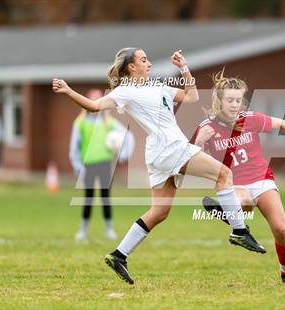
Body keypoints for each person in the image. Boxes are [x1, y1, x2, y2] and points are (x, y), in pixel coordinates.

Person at [52, 48, 265, 285]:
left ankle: (119, 255)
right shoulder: (125, 91)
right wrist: (68, 90)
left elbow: (192, 97)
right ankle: (239, 230)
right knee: (224, 174)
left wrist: (184, 68)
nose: (149, 63)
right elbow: (93, 106)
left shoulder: (157, 86)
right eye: (144, 60)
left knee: (159, 212)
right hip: (170, 148)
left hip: (158, 153)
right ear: (131, 67)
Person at [193, 70, 285, 284]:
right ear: (219, 101)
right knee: (244, 202)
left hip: (262, 179)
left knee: (281, 230)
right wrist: (199, 143)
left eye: (238, 100)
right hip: (234, 183)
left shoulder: (250, 119)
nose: (234, 105)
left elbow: (283, 124)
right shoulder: (206, 128)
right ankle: (230, 213)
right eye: (229, 100)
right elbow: (192, 159)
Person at [69, 88, 135, 241]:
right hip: (88, 165)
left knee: (105, 196)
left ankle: (109, 229)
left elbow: (128, 136)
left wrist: (124, 154)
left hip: (105, 164)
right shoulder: (80, 123)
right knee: (89, 197)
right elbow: (74, 146)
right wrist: (77, 165)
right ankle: (83, 231)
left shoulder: (109, 122)